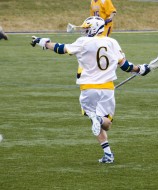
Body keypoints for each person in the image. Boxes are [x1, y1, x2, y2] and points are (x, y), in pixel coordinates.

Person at [30, 16, 150, 164]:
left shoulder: (84, 42)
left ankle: (104, 142)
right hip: (107, 89)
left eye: (87, 28)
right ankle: (107, 152)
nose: (85, 31)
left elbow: (61, 49)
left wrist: (43, 42)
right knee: (106, 123)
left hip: (88, 89)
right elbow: (126, 66)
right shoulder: (112, 42)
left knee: (96, 120)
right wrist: (142, 69)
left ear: (94, 28)